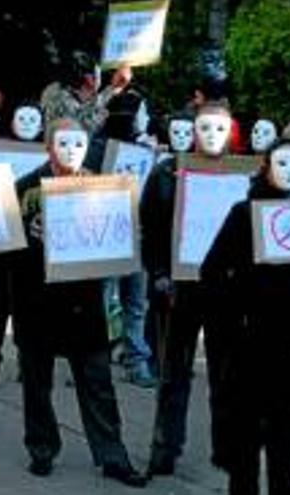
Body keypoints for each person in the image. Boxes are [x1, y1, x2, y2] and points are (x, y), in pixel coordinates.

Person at [7, 117, 147, 487]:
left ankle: (113, 456)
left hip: (84, 304)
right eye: (64, 144)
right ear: (49, 146)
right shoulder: (24, 189)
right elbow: (6, 252)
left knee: (97, 380)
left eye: (79, 144)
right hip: (37, 302)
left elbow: (118, 243)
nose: (71, 151)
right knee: (37, 383)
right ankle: (42, 449)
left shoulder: (104, 189)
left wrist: (128, 236)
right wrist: (30, 238)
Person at [201, 139, 290, 495]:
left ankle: (283, 486)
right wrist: (246, 287)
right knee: (246, 422)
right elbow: (211, 271)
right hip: (251, 337)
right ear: (267, 166)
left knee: (285, 420)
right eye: (283, 163)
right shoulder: (244, 213)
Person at [142, 104, 236, 475]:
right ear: (194, 130)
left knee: (225, 373)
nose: (212, 134)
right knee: (173, 372)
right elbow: (149, 229)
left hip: (226, 291)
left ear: (230, 132)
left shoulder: (244, 174)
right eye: (205, 127)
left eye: (220, 128)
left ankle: (226, 448)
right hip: (178, 289)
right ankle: (165, 447)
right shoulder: (167, 172)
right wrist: (161, 273)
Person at [0, 101, 44, 390]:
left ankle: (24, 362)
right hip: (2, 236)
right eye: (22, 117)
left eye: (34, 119)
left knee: (26, 305)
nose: (28, 124)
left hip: (31, 245)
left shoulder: (47, 157)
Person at [101, 88, 156, 387]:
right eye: (143, 112)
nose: (147, 118)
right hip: (106, 238)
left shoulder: (148, 152)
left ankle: (136, 360)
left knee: (135, 302)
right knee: (104, 300)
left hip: (137, 237)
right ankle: (94, 358)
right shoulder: (99, 149)